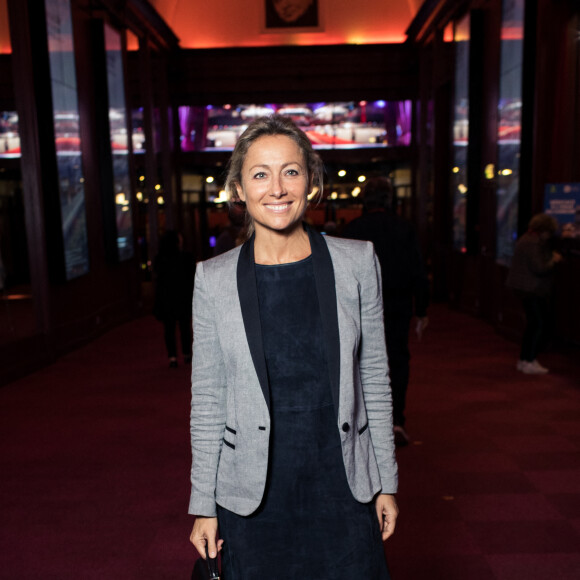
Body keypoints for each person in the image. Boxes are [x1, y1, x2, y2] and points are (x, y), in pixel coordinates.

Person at [188, 115, 398, 579]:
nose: (277, 188)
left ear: (311, 181)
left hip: (342, 484)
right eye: (260, 174)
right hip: (253, 494)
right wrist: (203, 503)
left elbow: (375, 379)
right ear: (239, 189)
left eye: (291, 171)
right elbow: (207, 398)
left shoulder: (357, 261)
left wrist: (386, 481)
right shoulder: (213, 278)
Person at [342, 177, 429, 447]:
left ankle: (363, 424)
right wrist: (422, 310)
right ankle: (395, 421)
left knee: (357, 363)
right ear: (390, 200)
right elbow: (418, 270)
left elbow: (341, 275)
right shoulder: (404, 228)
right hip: (397, 304)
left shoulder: (351, 229)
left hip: (358, 306)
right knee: (397, 362)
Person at [507, 213, 562, 374]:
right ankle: (529, 360)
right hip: (531, 289)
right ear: (544, 230)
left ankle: (525, 360)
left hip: (524, 288)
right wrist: (554, 259)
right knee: (537, 324)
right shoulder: (534, 243)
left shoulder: (526, 238)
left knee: (533, 324)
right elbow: (540, 268)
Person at [153, 230, 195, 368]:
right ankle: (187, 354)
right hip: (183, 298)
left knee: (169, 329)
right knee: (185, 328)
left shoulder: (159, 260)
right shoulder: (186, 258)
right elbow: (191, 280)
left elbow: (158, 282)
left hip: (167, 299)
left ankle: (172, 357)